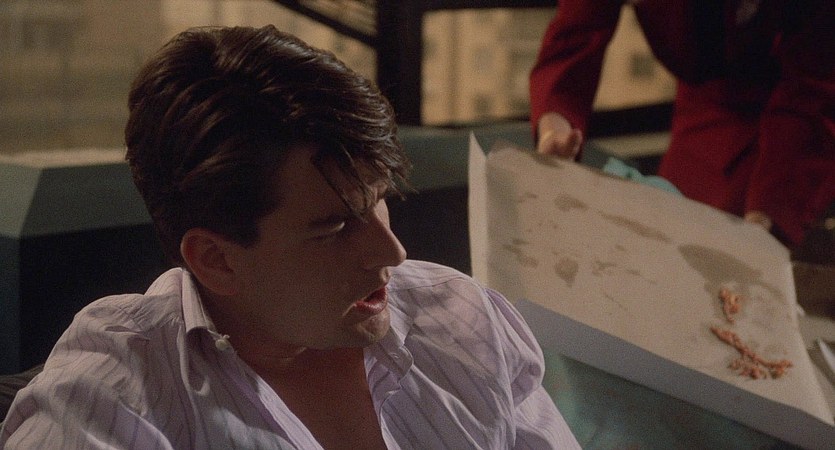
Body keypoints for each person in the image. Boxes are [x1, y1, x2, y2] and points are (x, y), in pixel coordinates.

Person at [0, 25, 579, 449]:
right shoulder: (112, 400)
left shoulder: (465, 321)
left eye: (379, 201)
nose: (391, 253)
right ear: (216, 259)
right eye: (334, 227)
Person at [530, 0, 834, 248]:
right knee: (661, 236)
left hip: (804, 100)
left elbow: (811, 87)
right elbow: (575, 33)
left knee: (746, 256)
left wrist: (767, 220)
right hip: (706, 98)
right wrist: (556, 126)